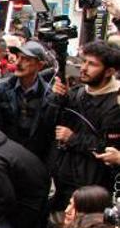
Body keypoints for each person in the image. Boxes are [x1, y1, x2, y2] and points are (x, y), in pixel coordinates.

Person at [47, 40, 120, 210]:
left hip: (92, 187)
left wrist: (73, 138)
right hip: (62, 179)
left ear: (109, 71)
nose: (84, 68)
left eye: (92, 64)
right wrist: (57, 98)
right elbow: (51, 123)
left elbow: (109, 150)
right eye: (84, 61)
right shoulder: (77, 93)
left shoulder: (115, 103)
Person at [0, 40, 53, 162]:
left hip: (35, 160)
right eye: (18, 57)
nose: (18, 63)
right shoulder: (2, 89)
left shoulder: (49, 95)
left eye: (26, 59)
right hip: (6, 157)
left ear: (40, 65)